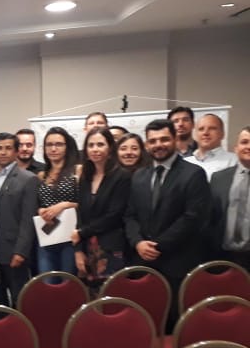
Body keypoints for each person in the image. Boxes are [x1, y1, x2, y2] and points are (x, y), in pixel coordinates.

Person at [124, 119, 211, 328]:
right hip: (143, 262)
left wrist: (158, 245)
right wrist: (138, 243)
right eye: (153, 141)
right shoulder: (139, 176)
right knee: (145, 322)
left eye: (164, 139)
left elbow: (193, 218)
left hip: (177, 264)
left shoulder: (193, 174)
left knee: (175, 325)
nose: (158, 145)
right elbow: (130, 215)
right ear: (147, 145)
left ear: (174, 139)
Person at [0, 133, 38, 307]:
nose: (3, 152)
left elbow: (28, 220)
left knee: (19, 300)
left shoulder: (28, 179)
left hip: (13, 251)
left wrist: (21, 251)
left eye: (8, 148)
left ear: (16, 151)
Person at [72, 127, 132, 294]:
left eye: (100, 144)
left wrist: (82, 233)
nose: (95, 149)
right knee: (90, 298)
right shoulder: (85, 177)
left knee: (113, 296)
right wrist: (78, 250)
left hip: (111, 247)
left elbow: (115, 215)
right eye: (91, 145)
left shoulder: (122, 176)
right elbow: (80, 214)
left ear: (110, 147)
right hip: (87, 248)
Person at [35, 126, 81, 275]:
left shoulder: (77, 171)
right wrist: (40, 210)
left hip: (71, 238)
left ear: (67, 147)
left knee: (69, 281)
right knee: (47, 281)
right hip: (47, 236)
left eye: (59, 144)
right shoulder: (41, 175)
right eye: (49, 145)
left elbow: (88, 204)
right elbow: (38, 204)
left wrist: (64, 205)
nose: (53, 149)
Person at [208, 126, 250, 270]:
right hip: (222, 256)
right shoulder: (219, 178)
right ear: (236, 148)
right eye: (244, 142)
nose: (248, 146)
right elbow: (209, 218)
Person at [186, 113, 237, 179]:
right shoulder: (185, 163)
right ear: (195, 134)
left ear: (222, 133)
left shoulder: (235, 161)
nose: (205, 133)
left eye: (212, 128)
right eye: (201, 129)